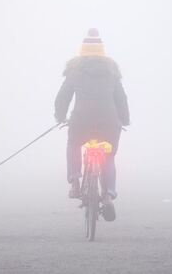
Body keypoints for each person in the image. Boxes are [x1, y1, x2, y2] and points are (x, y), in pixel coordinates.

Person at [54, 28, 130, 220]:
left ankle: (74, 181)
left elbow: (62, 97)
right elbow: (121, 99)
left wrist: (61, 117)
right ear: (102, 51)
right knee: (109, 156)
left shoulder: (74, 71)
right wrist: (124, 120)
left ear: (82, 50)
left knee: (73, 144)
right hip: (108, 122)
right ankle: (108, 194)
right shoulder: (112, 72)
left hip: (81, 120)